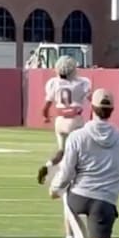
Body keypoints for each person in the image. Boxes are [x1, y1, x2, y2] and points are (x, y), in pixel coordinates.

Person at [48, 88, 119, 238]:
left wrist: (55, 188)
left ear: (91, 108)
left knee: (64, 192)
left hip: (78, 196)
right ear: (112, 111)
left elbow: (67, 172)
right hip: (105, 202)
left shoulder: (77, 137)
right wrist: (112, 191)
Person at [37, 56, 91, 184]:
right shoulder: (82, 82)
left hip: (60, 120)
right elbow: (92, 99)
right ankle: (69, 177)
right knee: (81, 151)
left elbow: (45, 108)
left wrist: (45, 117)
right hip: (75, 120)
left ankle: (49, 166)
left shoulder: (53, 83)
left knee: (62, 151)